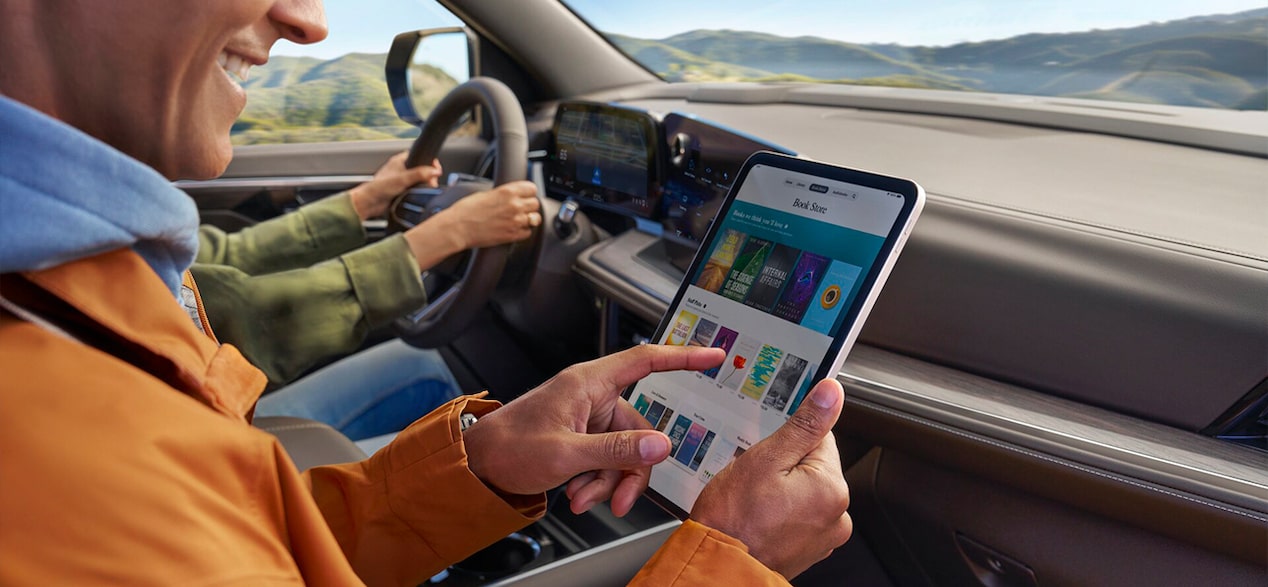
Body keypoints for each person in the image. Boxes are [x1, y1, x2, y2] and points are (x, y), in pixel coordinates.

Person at [0, 1, 852, 586]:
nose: (308, 19)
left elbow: (254, 543)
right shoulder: (53, 457)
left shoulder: (77, 280)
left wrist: (479, 460)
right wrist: (733, 559)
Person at [192, 151, 541, 447]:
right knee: (513, 443)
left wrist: (365, 200)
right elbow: (252, 320)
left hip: (198, 415)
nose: (260, 63)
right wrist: (450, 233)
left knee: (425, 362)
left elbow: (216, 258)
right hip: (208, 454)